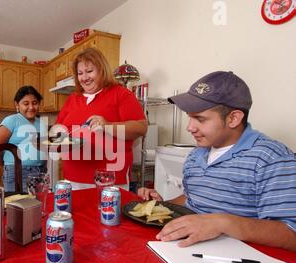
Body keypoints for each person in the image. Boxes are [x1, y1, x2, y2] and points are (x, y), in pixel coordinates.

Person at [138, 71, 296, 251]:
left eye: (200, 119)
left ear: (233, 118)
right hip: (186, 250)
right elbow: (193, 198)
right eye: (189, 117)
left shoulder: (271, 159)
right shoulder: (196, 155)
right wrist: (162, 205)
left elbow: (291, 233)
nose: (189, 127)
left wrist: (223, 222)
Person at [53, 47, 147, 190]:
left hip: (108, 181)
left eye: (90, 71)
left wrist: (107, 126)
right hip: (72, 179)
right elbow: (58, 131)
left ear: (102, 70)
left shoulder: (121, 94)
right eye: (80, 73)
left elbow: (141, 128)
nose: (84, 77)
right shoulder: (72, 99)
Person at [0, 85, 47, 192]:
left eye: (35, 103)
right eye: (26, 103)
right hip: (17, 171)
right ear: (17, 104)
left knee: (36, 205)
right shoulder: (11, 121)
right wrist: (4, 164)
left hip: (40, 171)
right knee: (17, 206)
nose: (31, 107)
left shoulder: (42, 123)